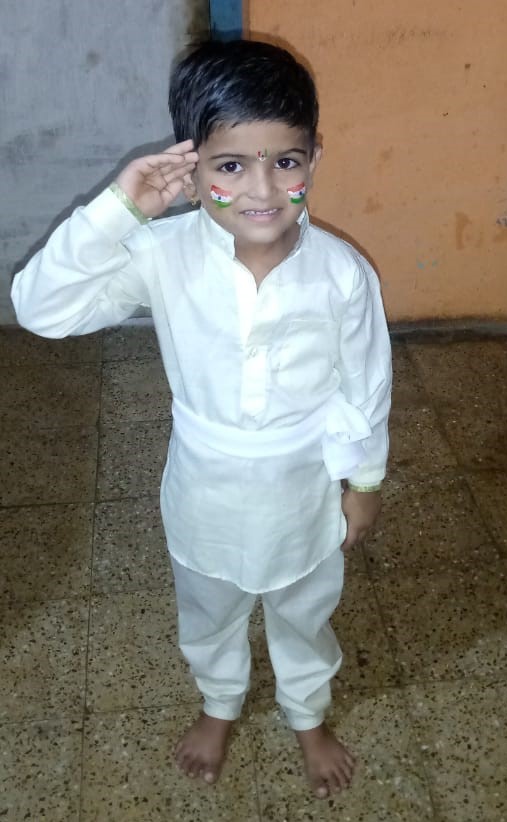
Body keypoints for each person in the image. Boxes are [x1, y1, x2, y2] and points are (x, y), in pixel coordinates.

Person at [11, 39, 392, 798]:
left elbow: (365, 387)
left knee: (304, 611)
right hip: (203, 494)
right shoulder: (161, 253)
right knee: (209, 611)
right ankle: (219, 703)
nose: (262, 189)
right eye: (231, 166)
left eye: (286, 161)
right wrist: (119, 210)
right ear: (190, 170)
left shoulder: (342, 274)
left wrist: (365, 484)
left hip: (302, 492)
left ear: (315, 156)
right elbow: (40, 310)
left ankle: (307, 713)